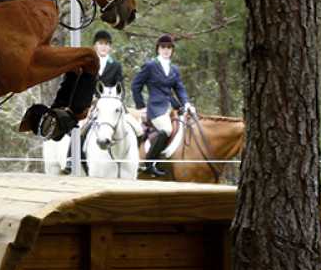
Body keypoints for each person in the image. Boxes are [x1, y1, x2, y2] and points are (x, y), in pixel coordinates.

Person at [22, 29, 124, 142]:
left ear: (110, 47)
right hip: (87, 105)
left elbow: (120, 88)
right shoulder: (87, 59)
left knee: (134, 127)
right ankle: (72, 155)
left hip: (107, 103)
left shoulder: (115, 65)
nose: (104, 47)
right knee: (81, 130)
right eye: (101, 43)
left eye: (107, 44)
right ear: (95, 45)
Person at [130, 34, 196, 176]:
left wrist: (187, 103)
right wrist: (141, 106)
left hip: (173, 106)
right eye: (163, 47)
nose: (166, 50)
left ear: (172, 50)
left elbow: (180, 88)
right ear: (158, 49)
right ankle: (149, 163)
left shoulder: (174, 69)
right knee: (166, 130)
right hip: (155, 108)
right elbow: (136, 86)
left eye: (169, 47)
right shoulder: (150, 66)